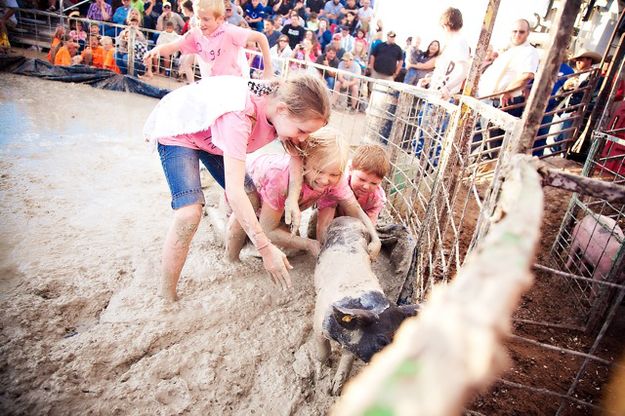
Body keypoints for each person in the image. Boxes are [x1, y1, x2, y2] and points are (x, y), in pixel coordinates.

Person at [143, 73, 331, 301]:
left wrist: (292, 198)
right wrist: (265, 247)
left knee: (252, 195)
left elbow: (295, 155)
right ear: (282, 110)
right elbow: (234, 191)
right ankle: (167, 296)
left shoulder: (282, 111)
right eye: (302, 131)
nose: (303, 139)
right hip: (180, 130)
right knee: (189, 215)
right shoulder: (241, 117)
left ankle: (230, 256)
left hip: (213, 139)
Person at [225, 127, 381, 262]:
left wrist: (375, 238)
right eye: (319, 171)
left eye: (334, 174)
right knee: (247, 212)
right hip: (247, 187)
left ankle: (253, 241)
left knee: (292, 251)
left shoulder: (335, 180)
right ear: (304, 161)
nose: (325, 180)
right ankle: (231, 258)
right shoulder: (280, 178)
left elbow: (355, 209)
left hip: (277, 205)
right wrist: (308, 243)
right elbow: (267, 230)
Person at [143, 0, 273, 79]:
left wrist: (268, 69)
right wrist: (155, 50)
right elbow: (172, 46)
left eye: (206, 19)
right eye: (198, 18)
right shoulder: (195, 34)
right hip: (211, 86)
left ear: (220, 19)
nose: (201, 23)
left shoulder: (229, 31)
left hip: (233, 87)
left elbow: (261, 37)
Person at [315, 143, 389, 242]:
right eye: (362, 179)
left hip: (355, 222)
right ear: (350, 169)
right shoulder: (338, 183)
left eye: (374, 183)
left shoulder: (376, 198)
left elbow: (369, 225)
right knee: (318, 228)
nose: (366, 186)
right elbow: (326, 214)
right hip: (333, 214)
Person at [420, 7, 470, 100]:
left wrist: (447, 88)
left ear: (445, 25)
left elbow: (464, 71)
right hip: (435, 94)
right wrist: (431, 80)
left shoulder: (459, 42)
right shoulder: (451, 43)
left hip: (443, 98)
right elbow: (448, 72)